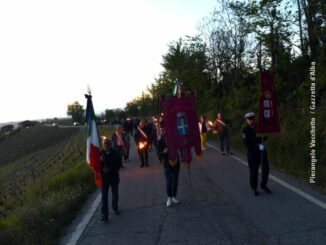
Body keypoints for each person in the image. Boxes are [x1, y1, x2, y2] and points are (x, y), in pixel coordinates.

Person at [242, 112, 272, 196]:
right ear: (247, 120)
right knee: (253, 172)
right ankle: (254, 188)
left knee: (266, 170)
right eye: (249, 119)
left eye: (252, 119)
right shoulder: (245, 130)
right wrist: (258, 145)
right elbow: (246, 143)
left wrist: (265, 131)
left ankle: (263, 185)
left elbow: (265, 137)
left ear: (255, 119)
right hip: (252, 154)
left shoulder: (259, 127)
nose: (251, 121)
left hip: (262, 153)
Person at [100, 138, 122, 221]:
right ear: (103, 145)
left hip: (114, 177)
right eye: (105, 144)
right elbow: (97, 167)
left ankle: (115, 207)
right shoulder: (100, 154)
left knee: (115, 194)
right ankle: (105, 214)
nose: (106, 145)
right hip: (104, 179)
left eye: (108, 143)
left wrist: (111, 169)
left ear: (110, 144)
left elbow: (119, 164)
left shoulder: (115, 153)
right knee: (104, 197)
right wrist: (100, 162)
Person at [158, 127, 181, 207]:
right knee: (169, 181)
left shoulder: (174, 139)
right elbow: (158, 152)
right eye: (163, 130)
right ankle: (169, 197)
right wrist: (163, 152)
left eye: (165, 130)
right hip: (167, 163)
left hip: (175, 162)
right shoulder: (160, 141)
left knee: (175, 181)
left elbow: (180, 146)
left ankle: (174, 196)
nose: (164, 131)